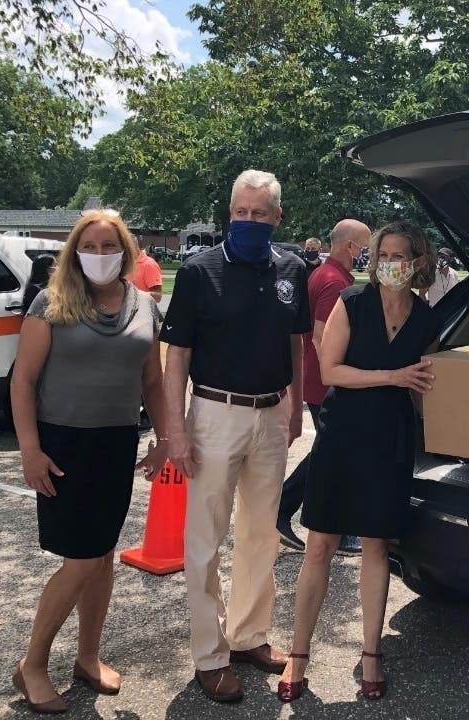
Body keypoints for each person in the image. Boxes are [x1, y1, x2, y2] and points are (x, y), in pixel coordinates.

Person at [9, 209, 168, 714]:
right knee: (80, 560)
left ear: (126, 251)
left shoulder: (143, 305)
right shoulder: (50, 302)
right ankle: (32, 664)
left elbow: (154, 381)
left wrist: (166, 436)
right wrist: (30, 449)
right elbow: (23, 381)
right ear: (74, 251)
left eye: (109, 246)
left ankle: (88, 655)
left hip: (115, 443)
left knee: (101, 556)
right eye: (90, 246)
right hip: (62, 446)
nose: (99, 255)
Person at [161, 169, 310, 703]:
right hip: (214, 413)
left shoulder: (293, 267)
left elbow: (296, 343)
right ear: (230, 213)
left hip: (271, 414)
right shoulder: (200, 271)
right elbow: (176, 356)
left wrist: (293, 409)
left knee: (260, 533)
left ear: (277, 217)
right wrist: (175, 429)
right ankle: (210, 655)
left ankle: (248, 636)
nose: (250, 220)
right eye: (241, 212)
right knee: (204, 539)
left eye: (260, 213)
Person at [277, 221, 441, 703]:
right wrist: (393, 375)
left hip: (391, 439)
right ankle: (298, 652)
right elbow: (330, 371)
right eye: (383, 253)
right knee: (320, 544)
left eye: (400, 255)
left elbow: (425, 387)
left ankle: (371, 652)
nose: (390, 262)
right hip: (343, 434)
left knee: (375, 545)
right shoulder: (351, 302)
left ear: (417, 262)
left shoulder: (426, 316)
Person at [277, 219, 372, 555]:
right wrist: (340, 375)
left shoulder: (326, 275)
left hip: (322, 381)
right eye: (366, 245)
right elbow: (321, 336)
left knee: (331, 451)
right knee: (337, 454)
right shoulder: (333, 283)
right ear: (350, 246)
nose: (367, 253)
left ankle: (284, 509)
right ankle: (332, 526)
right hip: (328, 384)